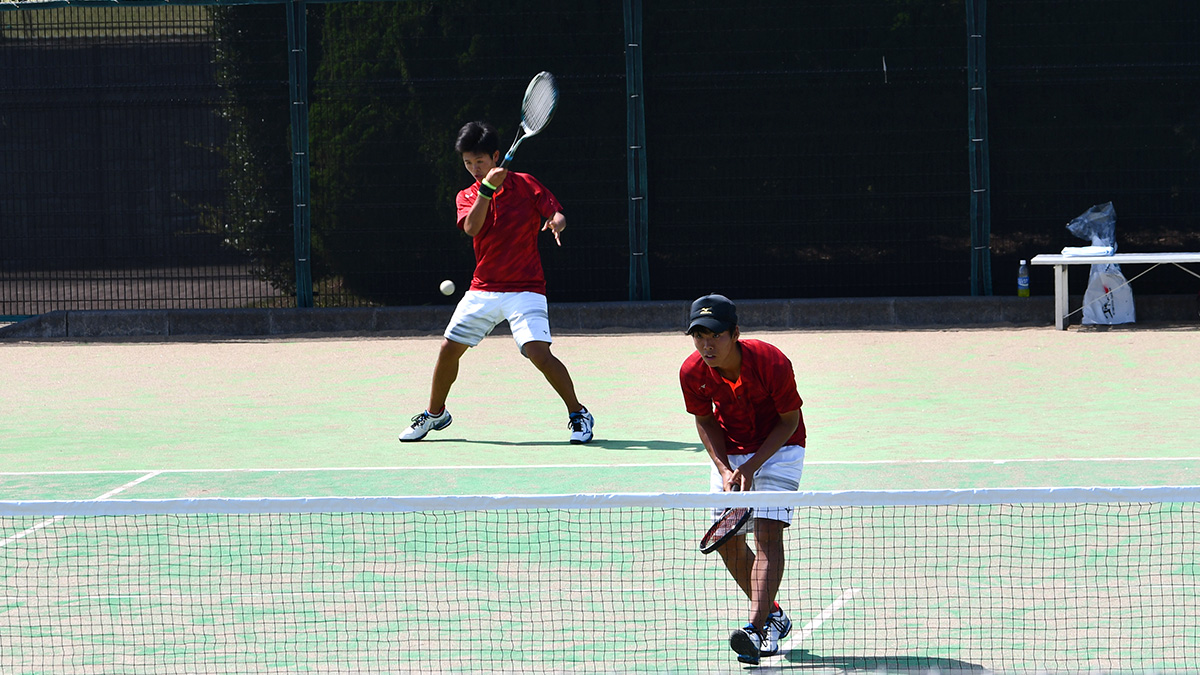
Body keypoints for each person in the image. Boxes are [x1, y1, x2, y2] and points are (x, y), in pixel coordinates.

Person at [399, 121, 594, 445]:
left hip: (526, 286)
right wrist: (487, 190)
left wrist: (556, 222)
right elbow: (472, 228)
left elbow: (555, 212)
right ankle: (435, 414)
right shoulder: (468, 195)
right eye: (467, 163)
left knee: (538, 352)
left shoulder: (526, 184)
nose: (474, 169)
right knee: (449, 349)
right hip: (484, 288)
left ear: (495, 156)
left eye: (479, 162)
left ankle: (578, 413)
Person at [678, 293, 806, 665]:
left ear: (735, 334)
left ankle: (756, 628)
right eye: (699, 336)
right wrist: (723, 467)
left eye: (714, 335)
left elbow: (789, 421)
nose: (706, 344)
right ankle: (773, 614)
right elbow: (704, 420)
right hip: (730, 453)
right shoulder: (692, 373)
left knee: (767, 532)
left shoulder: (770, 361)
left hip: (781, 448)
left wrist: (753, 466)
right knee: (725, 541)